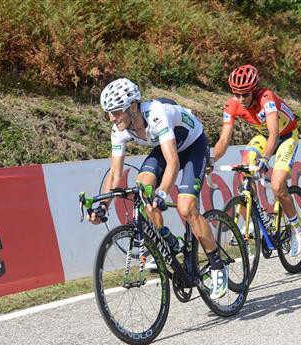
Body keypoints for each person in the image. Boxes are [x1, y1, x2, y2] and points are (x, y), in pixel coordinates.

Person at [90, 78, 228, 299]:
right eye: (109, 112)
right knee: (142, 187)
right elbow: (115, 174)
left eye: (116, 112)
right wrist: (103, 207)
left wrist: (163, 193)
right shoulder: (119, 130)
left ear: (133, 107)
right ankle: (166, 237)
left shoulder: (156, 113)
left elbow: (173, 162)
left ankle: (218, 267)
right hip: (166, 148)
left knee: (186, 208)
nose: (112, 118)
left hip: (193, 146)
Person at [210, 64, 301, 257]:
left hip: (285, 136)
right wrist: (211, 159)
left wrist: (265, 159)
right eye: (236, 94)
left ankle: (297, 228)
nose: (240, 99)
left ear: (253, 90)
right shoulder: (232, 105)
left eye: (244, 94)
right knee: (246, 165)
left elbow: (274, 132)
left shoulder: (266, 98)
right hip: (262, 136)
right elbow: (223, 140)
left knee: (278, 186)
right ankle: (257, 216)